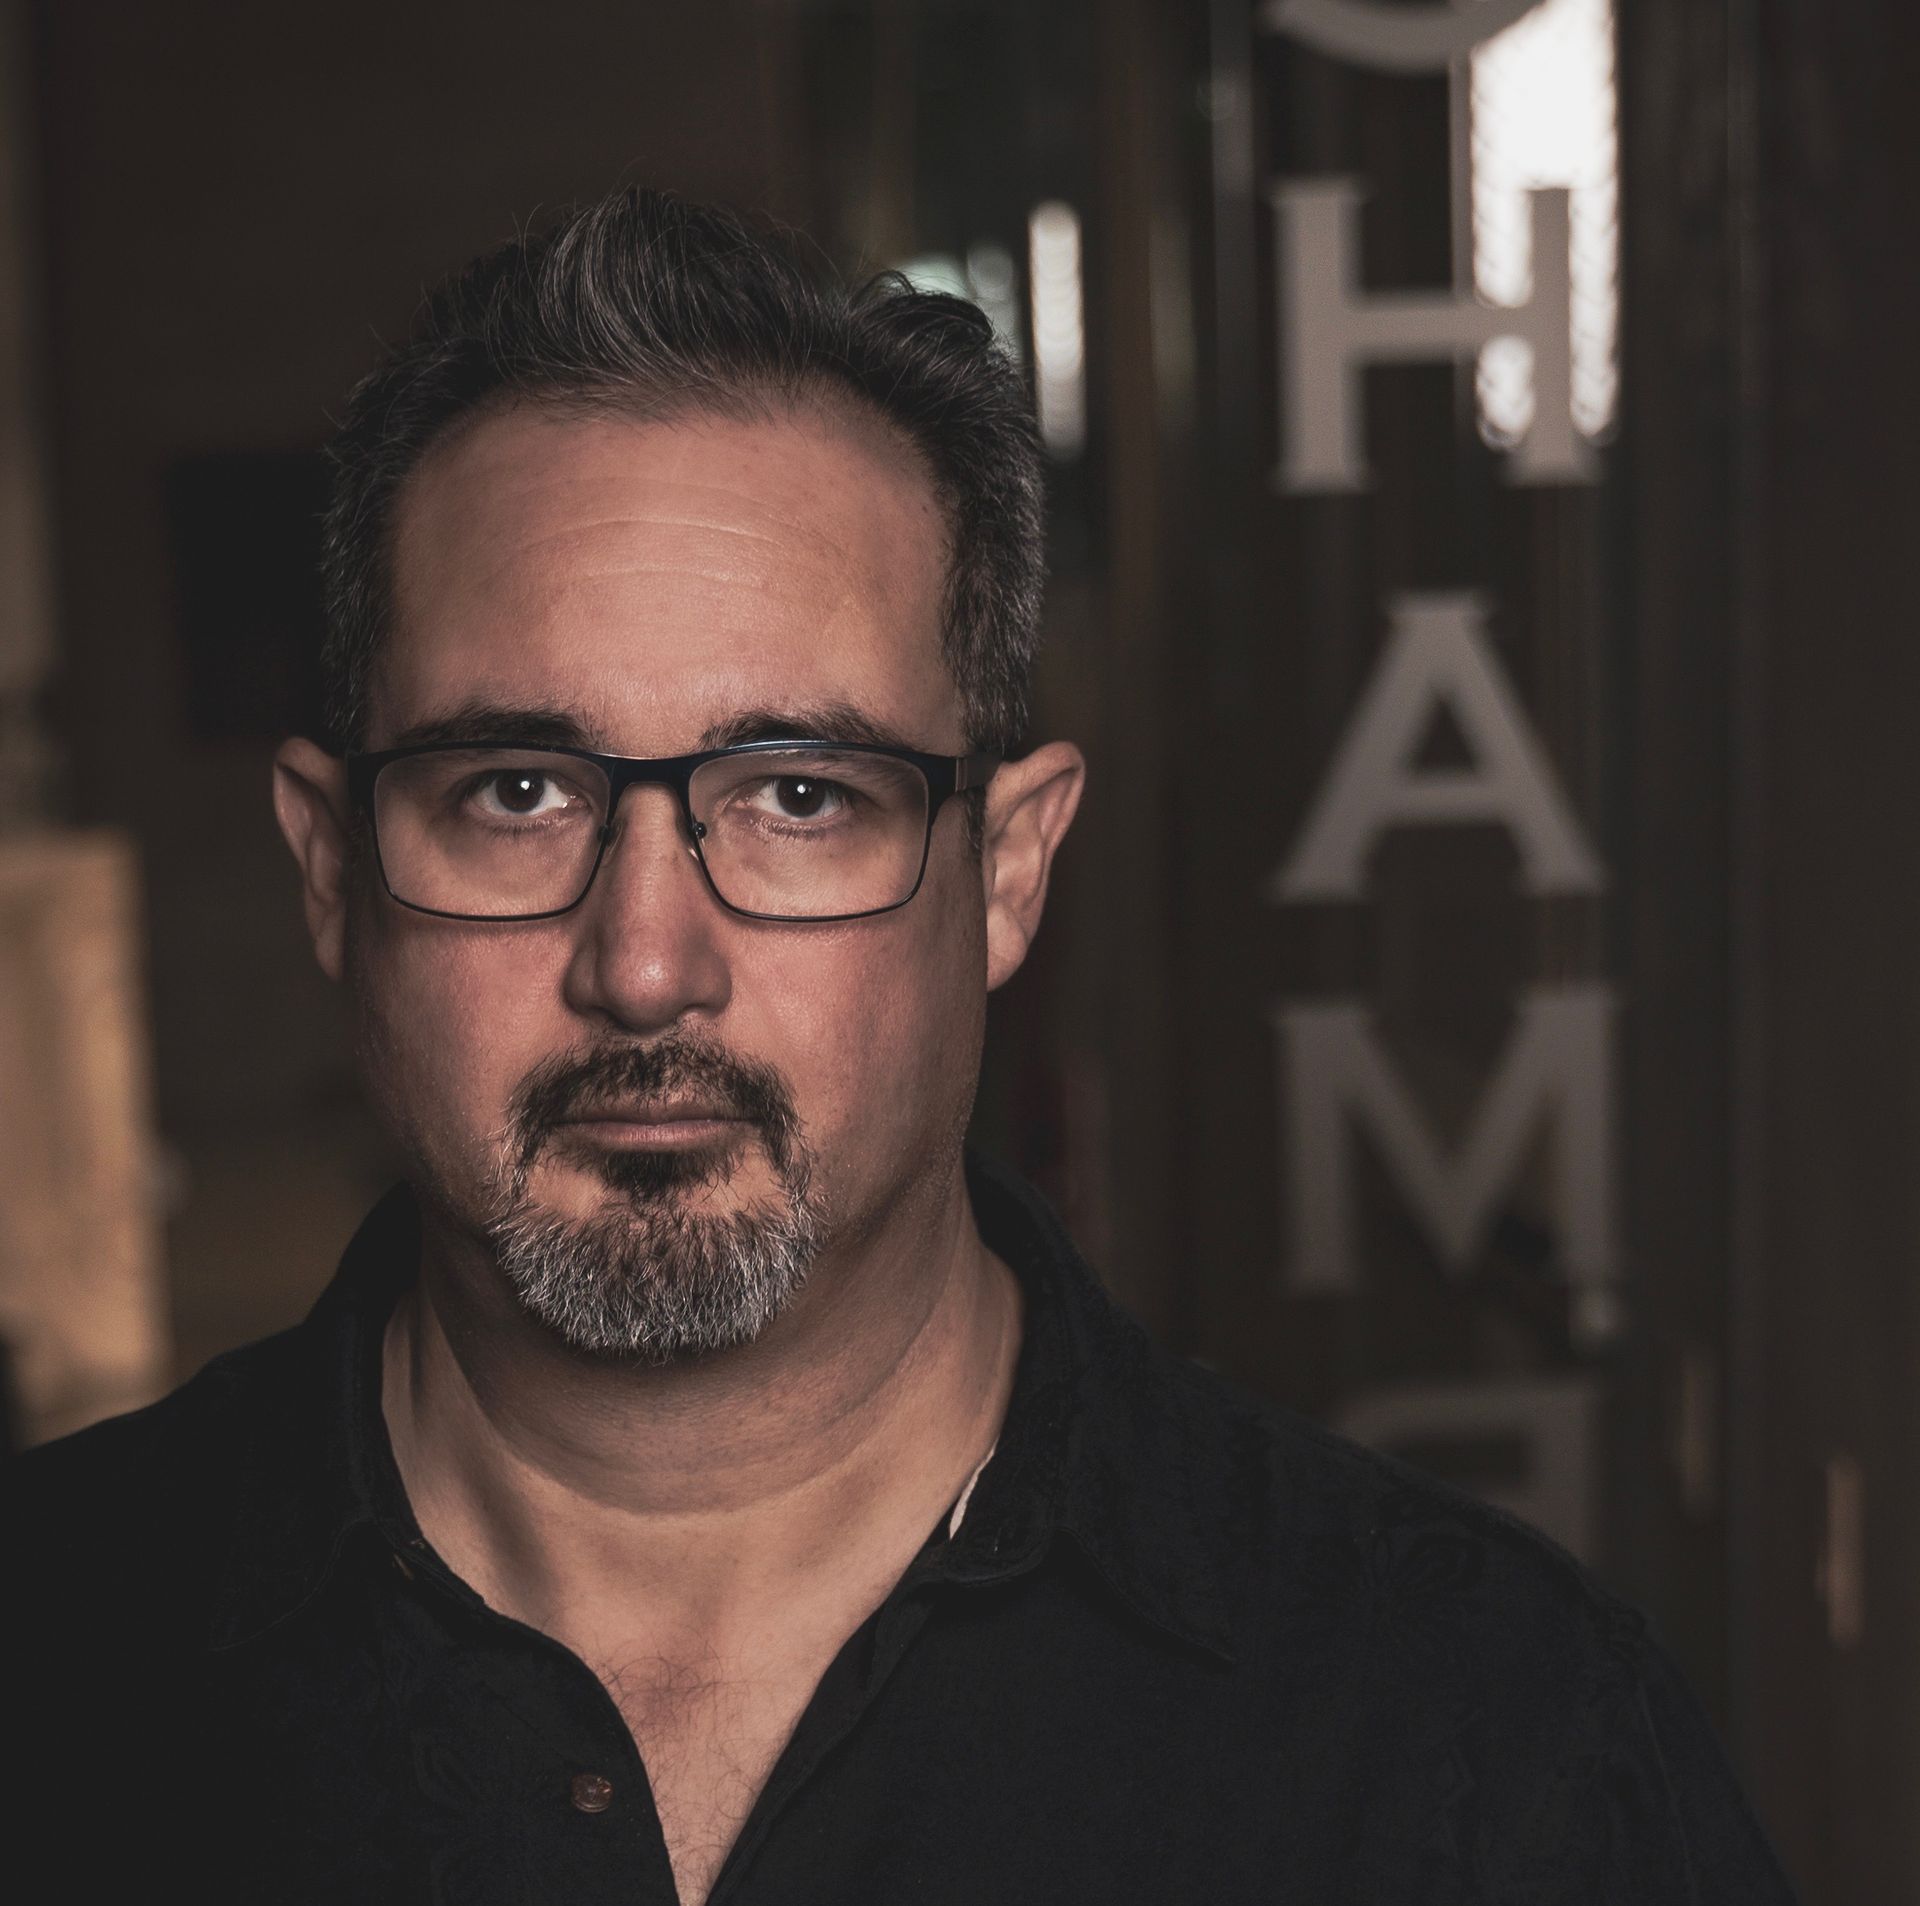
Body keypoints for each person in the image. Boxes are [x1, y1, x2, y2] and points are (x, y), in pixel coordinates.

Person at [4, 187, 1795, 1905]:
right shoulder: (54, 1679)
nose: (646, 964)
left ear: (1007, 872)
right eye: (518, 791)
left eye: (797, 796)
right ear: (333, 870)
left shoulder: (1496, 1751)